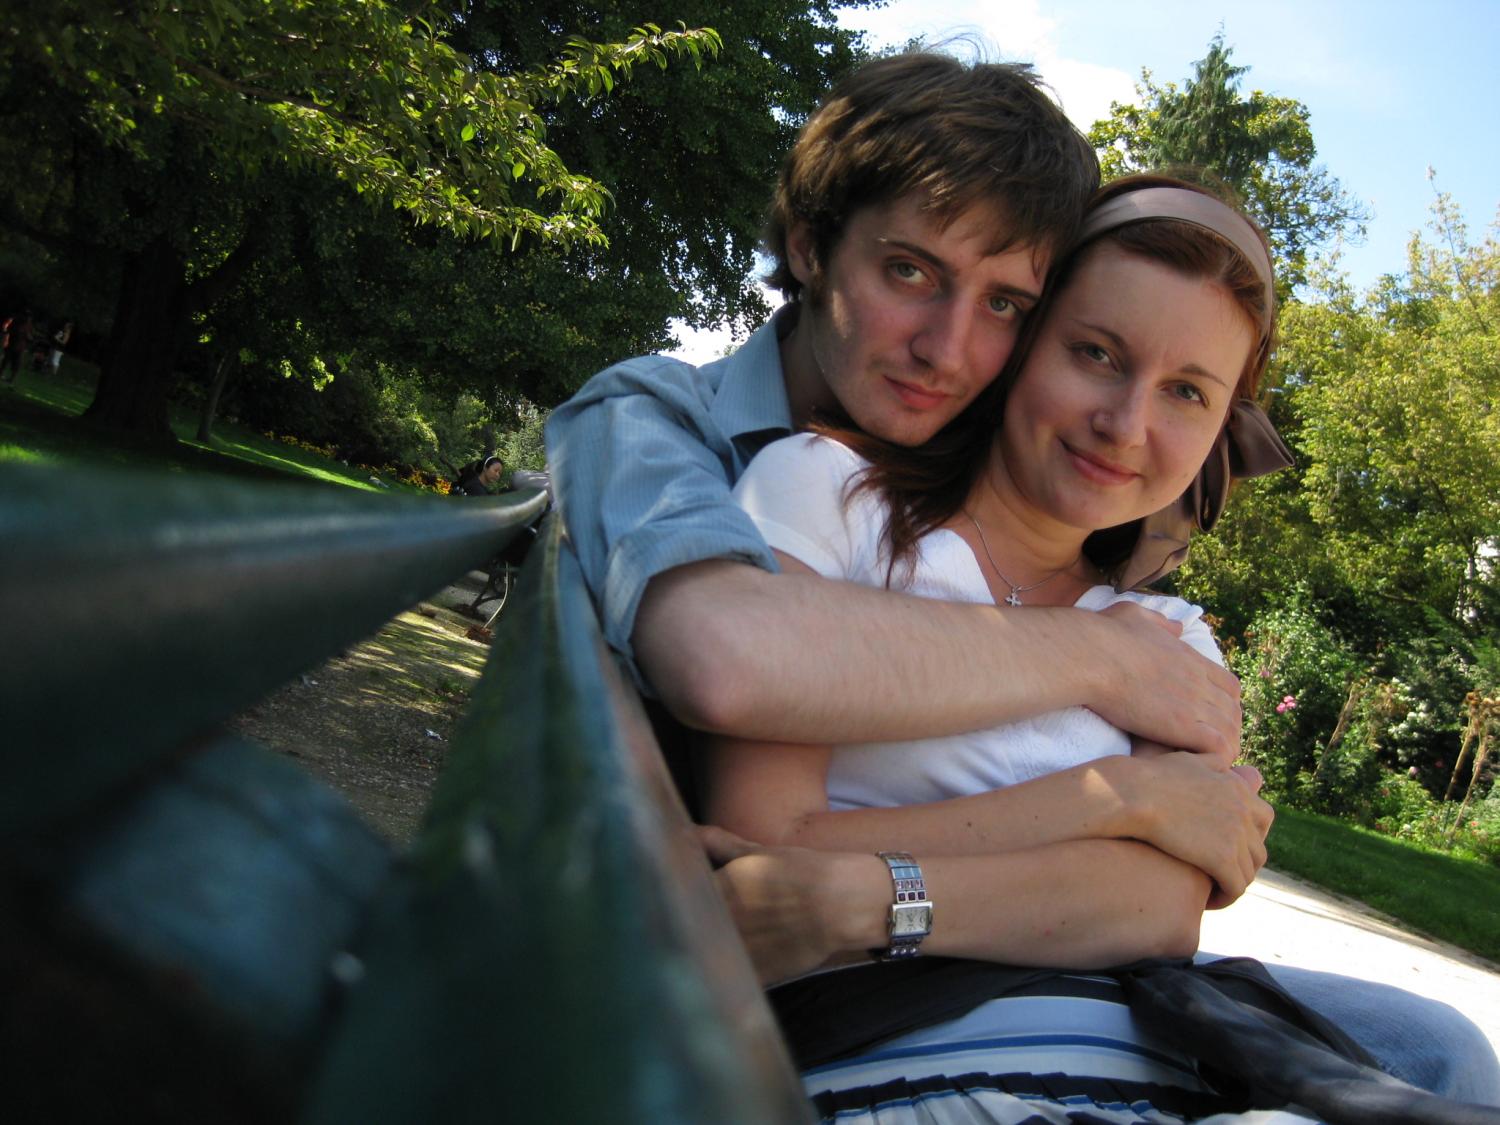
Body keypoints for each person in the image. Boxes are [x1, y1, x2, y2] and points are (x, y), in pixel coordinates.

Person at [545, 51, 1500, 1105]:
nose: (947, 351)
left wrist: (880, 890)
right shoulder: (686, 435)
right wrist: (1118, 767)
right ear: (811, 247)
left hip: (1086, 1019)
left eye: (1003, 302)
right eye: (909, 271)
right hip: (846, 1026)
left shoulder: (1147, 615)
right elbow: (728, 667)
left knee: (1439, 1049)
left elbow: (1163, 906)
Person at [0, 309, 32, 385]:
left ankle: (11, 379)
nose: (27, 318)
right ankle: (2, 374)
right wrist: (6, 340)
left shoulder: (28, 325)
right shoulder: (16, 322)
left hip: (20, 347)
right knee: (6, 361)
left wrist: (28, 338)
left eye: (28, 317)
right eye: (26, 316)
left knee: (16, 363)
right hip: (12, 345)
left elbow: (30, 336)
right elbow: (8, 331)